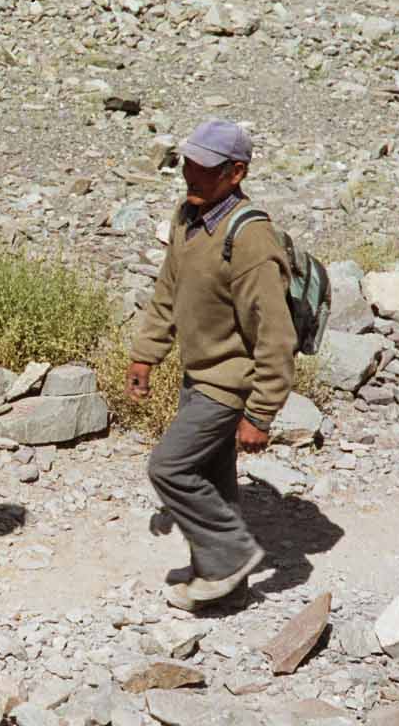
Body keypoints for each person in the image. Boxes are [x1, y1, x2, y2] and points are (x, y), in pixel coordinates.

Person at [125, 118, 295, 611]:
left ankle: (229, 557)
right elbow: (167, 291)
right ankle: (225, 584)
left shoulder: (250, 240)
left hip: (229, 383)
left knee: (169, 467)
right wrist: (146, 352)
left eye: (203, 167)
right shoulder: (189, 216)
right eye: (186, 163)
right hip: (194, 375)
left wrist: (261, 411)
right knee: (216, 481)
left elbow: (276, 335)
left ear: (235, 172)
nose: (189, 174)